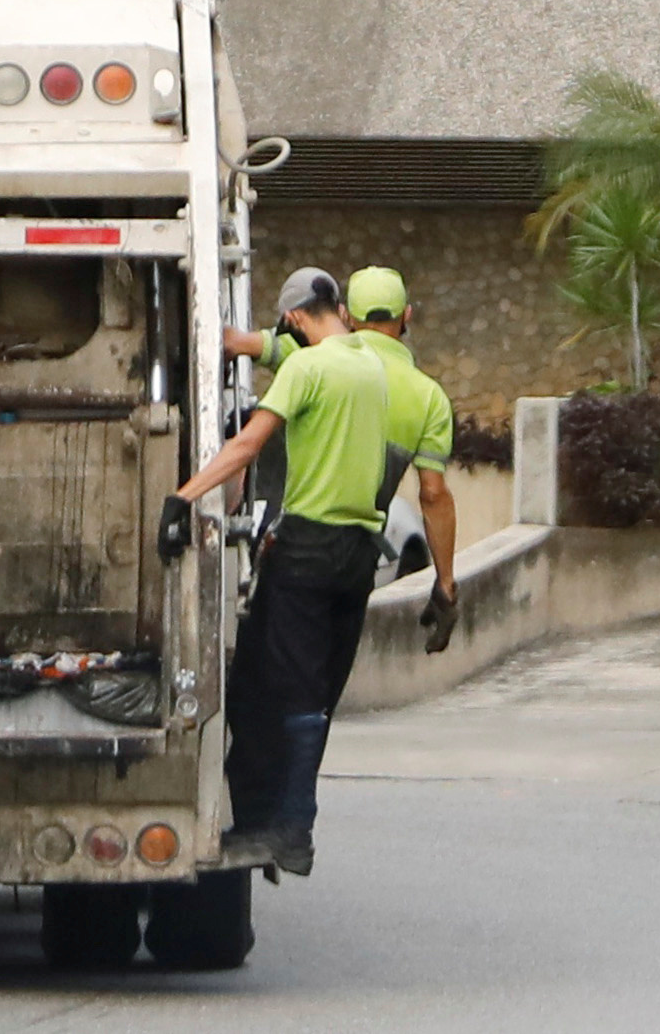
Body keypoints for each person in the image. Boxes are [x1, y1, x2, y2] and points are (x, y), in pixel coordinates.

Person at [169, 265, 402, 874]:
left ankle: (290, 827)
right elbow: (275, 349)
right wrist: (240, 341)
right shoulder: (368, 365)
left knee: (277, 692)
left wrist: (184, 498)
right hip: (358, 554)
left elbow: (247, 445)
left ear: (296, 317)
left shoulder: (305, 367)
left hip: (307, 548)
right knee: (298, 689)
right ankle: (270, 821)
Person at [341, 265, 462, 650]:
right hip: (357, 554)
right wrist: (444, 584)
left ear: (346, 316)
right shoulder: (428, 396)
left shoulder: (315, 365)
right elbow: (433, 495)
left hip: (292, 541)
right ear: (406, 315)